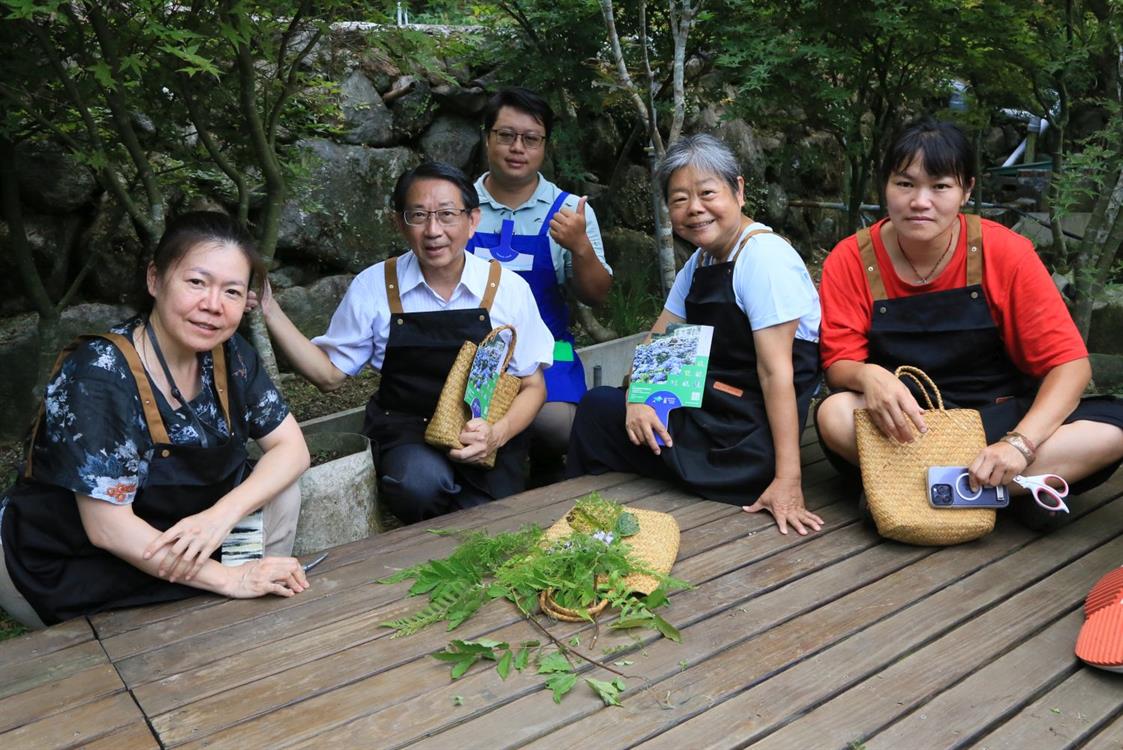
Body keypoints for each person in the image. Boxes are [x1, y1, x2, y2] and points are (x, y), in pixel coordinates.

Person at [0, 212, 311, 628]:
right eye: (196, 282)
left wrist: (218, 517)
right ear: (155, 279)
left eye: (232, 291)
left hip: (176, 538)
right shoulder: (99, 373)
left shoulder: (230, 355)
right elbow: (108, 530)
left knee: (277, 487)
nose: (213, 306)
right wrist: (230, 578)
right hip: (74, 561)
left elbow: (292, 449)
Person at [815, 118, 1123, 529]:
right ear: (884, 185)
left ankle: (921, 491)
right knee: (835, 413)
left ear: (967, 191)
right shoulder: (850, 258)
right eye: (905, 184)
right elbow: (838, 364)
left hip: (1000, 418)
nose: (920, 201)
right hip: (911, 424)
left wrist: (1020, 444)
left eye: (940, 186)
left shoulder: (1007, 251)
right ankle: (1000, 492)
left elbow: (1071, 366)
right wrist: (868, 375)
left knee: (1113, 430)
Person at [259, 162, 553, 524]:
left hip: (483, 430)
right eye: (418, 215)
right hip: (406, 431)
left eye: (447, 215)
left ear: (472, 220)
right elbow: (329, 375)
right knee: (419, 484)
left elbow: (533, 385)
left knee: (490, 518)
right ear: (399, 222)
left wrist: (497, 434)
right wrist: (268, 309)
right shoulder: (374, 286)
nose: (433, 231)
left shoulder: (508, 288)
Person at [567, 134, 824, 535]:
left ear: (738, 190)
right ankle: (586, 522)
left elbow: (778, 376)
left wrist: (788, 481)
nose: (695, 209)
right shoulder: (702, 261)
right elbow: (657, 341)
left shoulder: (765, 258)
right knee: (602, 409)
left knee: (606, 423)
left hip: (749, 439)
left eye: (707, 193)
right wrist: (638, 398)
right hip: (709, 414)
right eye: (680, 199)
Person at [468, 87, 613, 482]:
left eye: (531, 139)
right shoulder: (458, 206)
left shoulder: (570, 210)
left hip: (552, 350)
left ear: (544, 145)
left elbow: (597, 295)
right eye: (506, 136)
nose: (518, 148)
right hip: (471, 356)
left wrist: (580, 248)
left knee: (562, 427)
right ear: (487, 139)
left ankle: (543, 472)